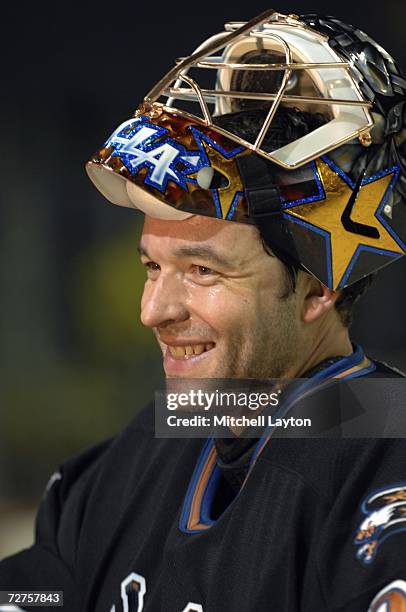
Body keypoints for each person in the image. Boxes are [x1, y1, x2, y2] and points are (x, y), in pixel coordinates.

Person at [1, 8, 406, 612]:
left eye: (202, 271)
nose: (153, 311)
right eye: (152, 267)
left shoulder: (380, 466)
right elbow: (35, 593)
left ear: (321, 285)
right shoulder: (142, 459)